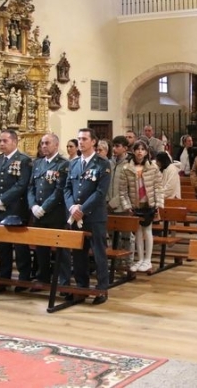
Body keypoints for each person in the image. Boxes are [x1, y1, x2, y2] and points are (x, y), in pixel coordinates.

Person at [63, 128, 112, 304]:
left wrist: (82, 209)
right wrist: (71, 208)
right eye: (79, 139)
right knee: (78, 254)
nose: (81, 142)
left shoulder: (102, 164)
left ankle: (101, 289)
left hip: (94, 216)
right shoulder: (74, 164)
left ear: (93, 142)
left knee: (99, 253)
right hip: (75, 215)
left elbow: (100, 192)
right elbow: (67, 188)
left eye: (84, 139)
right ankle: (81, 287)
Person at [0, 130, 32, 288]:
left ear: (14, 142)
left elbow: (21, 184)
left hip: (16, 209)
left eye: (5, 141)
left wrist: (2, 199)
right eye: (0, 141)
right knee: (2, 246)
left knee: (20, 247)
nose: (1, 144)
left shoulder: (24, 160)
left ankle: (24, 278)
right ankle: (3, 278)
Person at [27, 133, 69, 285]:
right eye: (42, 143)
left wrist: (44, 208)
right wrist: (33, 206)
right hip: (38, 213)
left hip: (55, 214)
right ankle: (42, 278)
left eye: (47, 143)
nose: (44, 146)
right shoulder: (38, 163)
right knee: (41, 250)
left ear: (56, 145)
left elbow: (59, 190)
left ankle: (64, 281)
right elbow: (31, 186)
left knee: (61, 250)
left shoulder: (63, 164)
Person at [120, 140, 164, 273]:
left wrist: (158, 203)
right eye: (137, 149)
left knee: (148, 231)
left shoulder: (153, 167)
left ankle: (148, 259)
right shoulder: (127, 168)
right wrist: (127, 205)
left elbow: (158, 187)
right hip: (135, 204)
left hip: (148, 203)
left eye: (142, 149)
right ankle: (140, 259)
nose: (140, 151)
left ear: (146, 152)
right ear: (133, 151)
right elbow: (123, 190)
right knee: (137, 232)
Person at [107, 135, 135, 270]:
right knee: (112, 236)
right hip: (108, 205)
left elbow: (129, 187)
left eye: (118, 146)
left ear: (125, 148)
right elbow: (105, 184)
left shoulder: (130, 164)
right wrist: (107, 201)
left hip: (123, 205)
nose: (115, 149)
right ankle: (114, 262)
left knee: (126, 237)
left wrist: (114, 201)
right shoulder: (109, 163)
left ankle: (128, 263)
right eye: (114, 146)